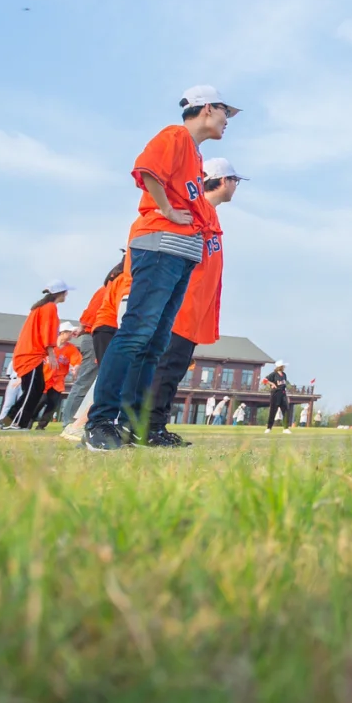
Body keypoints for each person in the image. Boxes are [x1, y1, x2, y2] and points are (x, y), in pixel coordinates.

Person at [84, 86, 236, 451]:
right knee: (136, 334)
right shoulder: (175, 135)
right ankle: (100, 421)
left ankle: (138, 426)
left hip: (181, 251)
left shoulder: (195, 155)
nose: (227, 120)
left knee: (154, 344)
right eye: (224, 113)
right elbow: (147, 168)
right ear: (207, 108)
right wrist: (167, 209)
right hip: (160, 243)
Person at [146, 157, 245, 447]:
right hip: (181, 307)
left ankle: (157, 425)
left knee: (174, 369)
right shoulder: (195, 209)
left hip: (194, 310)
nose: (235, 187)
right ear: (224, 181)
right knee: (166, 368)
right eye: (235, 181)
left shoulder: (210, 214)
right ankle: (148, 427)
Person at [63, 257, 130, 443]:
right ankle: (77, 424)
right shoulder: (122, 281)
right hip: (105, 330)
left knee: (106, 379)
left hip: (101, 330)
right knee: (106, 379)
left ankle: (80, 423)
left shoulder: (112, 283)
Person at [0, 280, 71, 430]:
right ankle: (15, 422)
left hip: (30, 353)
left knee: (37, 389)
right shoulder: (49, 307)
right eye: (66, 292)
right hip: (31, 355)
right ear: (61, 293)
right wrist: (51, 351)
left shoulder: (40, 308)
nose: (67, 294)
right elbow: (47, 330)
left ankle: (12, 421)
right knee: (32, 391)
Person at [28, 324, 82, 429]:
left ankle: (41, 426)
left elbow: (77, 360)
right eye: (69, 332)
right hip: (44, 380)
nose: (71, 334)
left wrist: (76, 368)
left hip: (58, 381)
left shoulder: (71, 348)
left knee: (52, 405)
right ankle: (29, 421)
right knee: (39, 402)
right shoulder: (49, 346)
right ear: (62, 333)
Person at [264, 361, 293, 433]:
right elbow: (264, 380)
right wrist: (272, 384)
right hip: (275, 394)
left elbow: (284, 384)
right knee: (273, 411)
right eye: (283, 366)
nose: (284, 367)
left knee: (286, 410)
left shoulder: (284, 375)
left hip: (283, 394)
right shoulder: (273, 374)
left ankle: (286, 428)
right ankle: (269, 428)